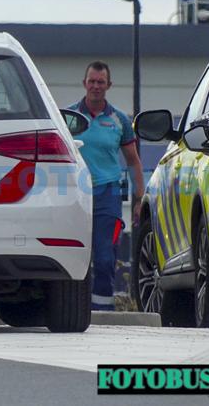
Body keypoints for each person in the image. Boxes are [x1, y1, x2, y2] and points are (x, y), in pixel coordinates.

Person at [67, 61, 145, 311]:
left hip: (107, 194)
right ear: (84, 83)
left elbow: (133, 161)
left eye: (101, 82)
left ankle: (102, 310)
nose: (96, 86)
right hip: (74, 194)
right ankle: (73, 308)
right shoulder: (68, 118)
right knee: (72, 254)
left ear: (109, 85)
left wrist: (139, 199)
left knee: (104, 257)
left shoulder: (119, 119)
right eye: (92, 81)